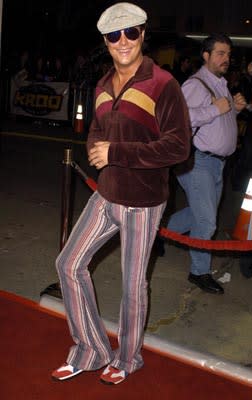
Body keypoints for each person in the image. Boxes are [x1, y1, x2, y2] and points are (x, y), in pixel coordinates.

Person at [51, 2, 191, 385]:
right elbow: (97, 128)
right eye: (114, 35)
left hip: (143, 201)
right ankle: (91, 349)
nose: (123, 41)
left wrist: (117, 152)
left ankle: (127, 359)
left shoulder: (164, 85)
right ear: (105, 41)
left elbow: (178, 148)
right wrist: (96, 147)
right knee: (68, 264)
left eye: (131, 32)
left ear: (143, 33)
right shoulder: (101, 84)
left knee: (132, 286)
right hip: (106, 193)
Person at [166, 33, 247, 294]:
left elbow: (218, 115)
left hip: (217, 164)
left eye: (228, 54)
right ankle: (198, 272)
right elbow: (180, 119)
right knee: (207, 222)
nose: (226, 59)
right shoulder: (195, 84)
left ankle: (159, 232)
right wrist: (218, 109)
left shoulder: (220, 83)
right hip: (198, 161)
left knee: (201, 214)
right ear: (206, 55)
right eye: (221, 53)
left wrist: (233, 108)